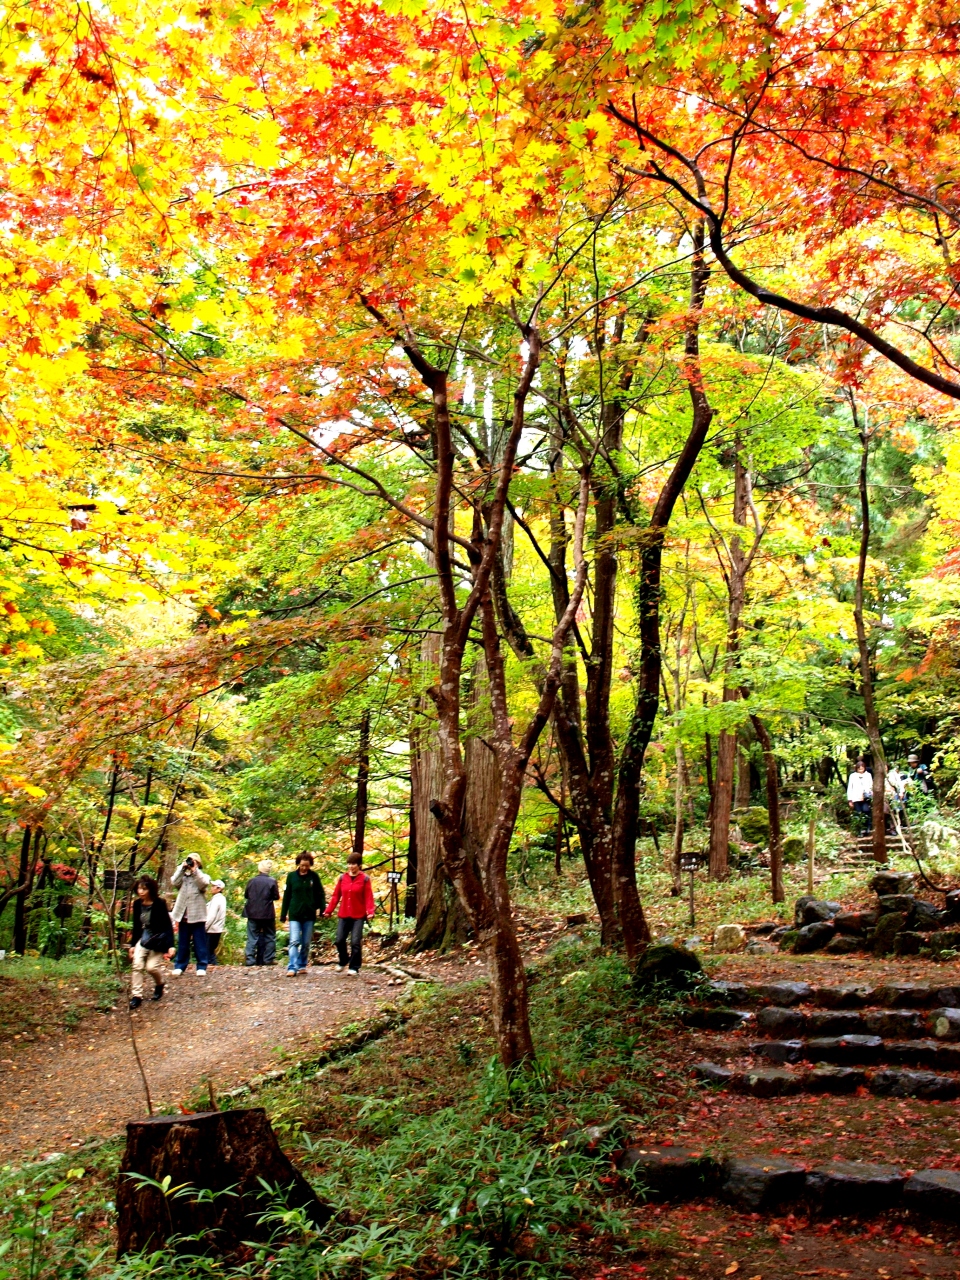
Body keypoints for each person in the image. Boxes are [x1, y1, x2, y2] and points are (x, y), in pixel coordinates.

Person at [323, 851, 376, 975]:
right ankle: (343, 960)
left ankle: (354, 966)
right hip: (344, 914)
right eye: (349, 864)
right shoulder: (343, 878)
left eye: (354, 864)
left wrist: (370, 911)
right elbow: (336, 896)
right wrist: (328, 911)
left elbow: (369, 897)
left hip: (358, 915)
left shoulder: (365, 879)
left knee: (355, 942)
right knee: (339, 940)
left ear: (359, 865)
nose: (351, 866)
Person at [128, 875, 175, 1010]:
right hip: (143, 938)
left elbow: (167, 925)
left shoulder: (159, 903)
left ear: (150, 889)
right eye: (139, 888)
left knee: (151, 967)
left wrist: (171, 945)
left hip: (158, 940)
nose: (141, 892)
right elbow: (136, 926)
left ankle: (160, 984)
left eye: (144, 889)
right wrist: (132, 945)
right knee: (137, 965)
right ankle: (136, 996)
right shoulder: (137, 904)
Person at [280, 852, 326, 976]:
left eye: (307, 865)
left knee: (305, 942)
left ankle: (302, 964)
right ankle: (292, 967)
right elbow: (287, 896)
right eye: (302, 865)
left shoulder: (314, 877)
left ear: (310, 865)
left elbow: (320, 894)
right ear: (298, 864)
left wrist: (322, 909)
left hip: (309, 914)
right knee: (294, 941)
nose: (304, 868)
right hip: (295, 914)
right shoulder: (291, 877)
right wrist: (283, 914)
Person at [171, 855, 210, 976]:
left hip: (197, 915)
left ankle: (202, 966)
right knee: (183, 942)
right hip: (183, 915)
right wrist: (182, 868)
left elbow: (203, 884)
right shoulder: (183, 878)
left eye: (193, 862)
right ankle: (180, 966)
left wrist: (195, 870)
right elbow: (173, 881)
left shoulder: (203, 876)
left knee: (200, 942)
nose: (191, 863)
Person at [244, 859, 280, 967]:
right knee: (270, 936)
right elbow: (276, 896)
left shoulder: (251, 881)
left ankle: (250, 960)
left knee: (252, 936)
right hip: (267, 913)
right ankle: (268, 959)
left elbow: (246, 895)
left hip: (252, 913)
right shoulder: (272, 881)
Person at [846, 758, 873, 834]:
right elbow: (850, 787)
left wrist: (871, 794)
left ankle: (868, 828)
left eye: (862, 768)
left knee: (866, 811)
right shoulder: (853, 776)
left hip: (866, 797)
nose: (861, 769)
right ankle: (859, 830)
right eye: (859, 768)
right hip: (856, 797)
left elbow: (871, 785)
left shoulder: (868, 775)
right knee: (858, 813)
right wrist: (850, 800)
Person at [205, 880, 227, 965]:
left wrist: (204, 928)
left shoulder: (216, 900)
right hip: (217, 930)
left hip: (212, 930)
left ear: (219, 889)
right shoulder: (221, 899)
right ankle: (215, 968)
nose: (211, 888)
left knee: (207, 952)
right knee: (210, 952)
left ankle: (213, 969)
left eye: (213, 886)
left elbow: (211, 916)